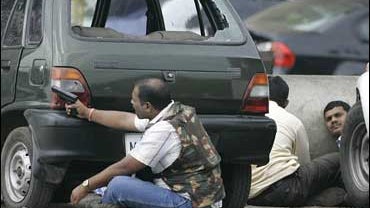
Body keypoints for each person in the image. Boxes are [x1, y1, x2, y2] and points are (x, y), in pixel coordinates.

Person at [66, 78, 225, 208]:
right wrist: (88, 113)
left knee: (118, 186)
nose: (131, 102)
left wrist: (85, 185)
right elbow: (126, 120)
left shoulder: (164, 130)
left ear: (147, 106)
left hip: (190, 202)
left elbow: (124, 167)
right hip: (205, 198)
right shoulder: (178, 111)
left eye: (134, 100)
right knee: (123, 183)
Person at [247, 76, 346, 207]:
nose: (333, 121)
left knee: (332, 193)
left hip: (248, 195)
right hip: (285, 190)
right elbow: (303, 162)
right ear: (286, 103)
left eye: (338, 116)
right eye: (329, 118)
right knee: (340, 159)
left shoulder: (246, 118)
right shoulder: (292, 121)